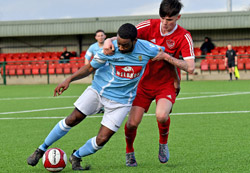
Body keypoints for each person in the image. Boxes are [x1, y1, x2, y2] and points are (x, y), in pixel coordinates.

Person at [27, 23, 166, 171]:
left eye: (125, 45)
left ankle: (76, 156)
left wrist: (174, 77)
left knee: (102, 140)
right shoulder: (110, 49)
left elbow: (163, 52)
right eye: (119, 43)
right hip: (98, 91)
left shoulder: (147, 49)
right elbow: (89, 67)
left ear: (135, 41)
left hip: (122, 101)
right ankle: (41, 150)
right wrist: (69, 79)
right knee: (73, 119)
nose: (121, 47)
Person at [103, 0, 195, 167]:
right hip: (142, 83)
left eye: (170, 20)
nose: (165, 24)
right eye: (163, 19)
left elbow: (190, 68)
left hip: (166, 84)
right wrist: (109, 40)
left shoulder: (184, 36)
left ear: (178, 17)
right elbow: (126, 36)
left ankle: (163, 144)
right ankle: (129, 152)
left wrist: (166, 56)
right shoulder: (149, 25)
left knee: (161, 115)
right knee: (132, 123)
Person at [85, 29, 107, 113]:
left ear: (105, 36)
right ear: (95, 37)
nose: (100, 37)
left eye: (102, 35)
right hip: (98, 73)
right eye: (98, 36)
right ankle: (99, 107)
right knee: (97, 90)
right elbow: (87, 58)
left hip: (110, 71)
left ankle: (108, 107)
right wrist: (89, 69)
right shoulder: (92, 47)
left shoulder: (110, 44)